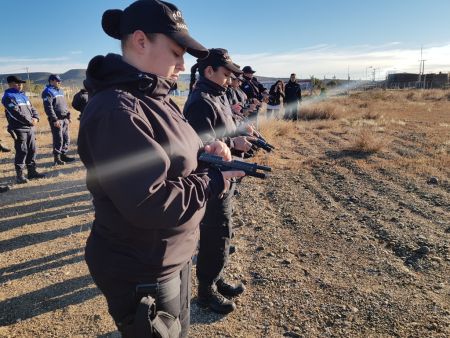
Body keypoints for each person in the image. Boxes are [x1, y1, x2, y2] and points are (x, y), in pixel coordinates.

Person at [77, 1, 244, 337]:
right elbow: (149, 202)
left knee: (179, 330)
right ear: (140, 41)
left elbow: (175, 154)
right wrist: (213, 181)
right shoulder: (117, 110)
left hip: (172, 254)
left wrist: (204, 153)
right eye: (176, 52)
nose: (184, 65)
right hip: (142, 266)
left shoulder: (154, 96)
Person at [184, 48, 255, 314]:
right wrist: (231, 143)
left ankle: (217, 278)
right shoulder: (201, 100)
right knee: (215, 235)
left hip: (224, 176)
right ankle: (206, 292)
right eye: (226, 74)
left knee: (222, 234)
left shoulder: (216, 96)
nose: (229, 79)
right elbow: (200, 146)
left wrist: (237, 136)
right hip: (211, 179)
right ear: (209, 71)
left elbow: (221, 131)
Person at [1, 75, 46, 184]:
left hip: (29, 128)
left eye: (21, 83)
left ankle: (32, 172)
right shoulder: (8, 96)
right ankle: (20, 175)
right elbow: (15, 112)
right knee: (22, 151)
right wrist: (29, 121)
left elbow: (32, 108)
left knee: (32, 149)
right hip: (18, 128)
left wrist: (36, 117)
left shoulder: (23, 95)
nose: (21, 85)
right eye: (18, 83)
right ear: (11, 83)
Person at [41, 74, 76, 165]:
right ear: (51, 81)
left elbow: (64, 105)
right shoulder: (47, 91)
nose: (59, 82)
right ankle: (57, 158)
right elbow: (48, 107)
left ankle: (63, 155)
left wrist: (68, 116)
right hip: (57, 120)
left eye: (59, 81)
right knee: (58, 139)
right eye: (57, 81)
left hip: (65, 119)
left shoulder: (60, 91)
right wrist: (54, 119)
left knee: (66, 139)